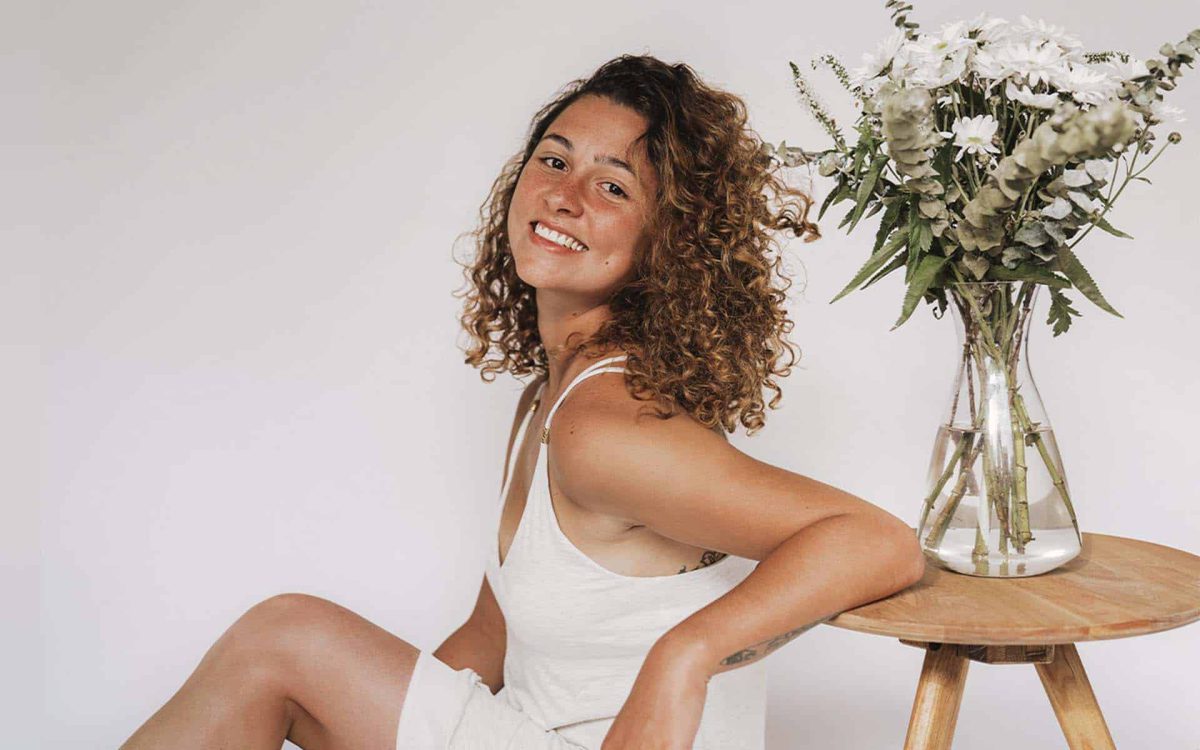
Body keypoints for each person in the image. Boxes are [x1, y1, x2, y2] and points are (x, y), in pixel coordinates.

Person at [119, 54, 925, 750]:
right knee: (283, 653)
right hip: (525, 731)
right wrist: (375, 714)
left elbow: (879, 542)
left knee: (280, 637)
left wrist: (683, 658)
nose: (566, 195)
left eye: (612, 185)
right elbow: (489, 640)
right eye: (553, 159)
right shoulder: (552, 397)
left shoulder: (603, 425)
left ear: (667, 241)